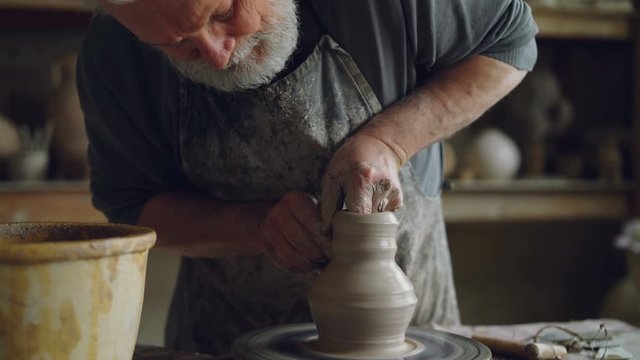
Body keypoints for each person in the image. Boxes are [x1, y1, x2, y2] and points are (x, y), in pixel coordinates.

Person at [77, 0, 538, 355]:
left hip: (411, 333)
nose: (216, 55)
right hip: (229, 335)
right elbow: (132, 208)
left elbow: (510, 42)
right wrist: (255, 228)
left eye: (223, 11)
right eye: (178, 46)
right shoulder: (114, 48)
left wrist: (391, 142)